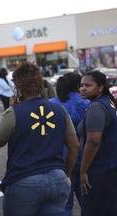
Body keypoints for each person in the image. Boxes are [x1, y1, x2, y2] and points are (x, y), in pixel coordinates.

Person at [0, 62, 79, 216]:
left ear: (18, 88)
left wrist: (9, 110)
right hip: (57, 178)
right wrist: (68, 175)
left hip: (24, 180)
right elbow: (74, 146)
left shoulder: (14, 112)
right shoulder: (59, 110)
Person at [49, 72, 90, 216]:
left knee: (64, 205)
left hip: (59, 159)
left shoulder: (51, 104)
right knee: (88, 203)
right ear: (78, 86)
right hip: (85, 157)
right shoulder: (87, 103)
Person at [78, 70, 117, 216]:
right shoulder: (108, 102)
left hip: (98, 171)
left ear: (100, 87)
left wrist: (83, 171)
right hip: (110, 168)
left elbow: (93, 141)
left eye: (88, 85)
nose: (82, 88)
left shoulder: (96, 107)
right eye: (81, 85)